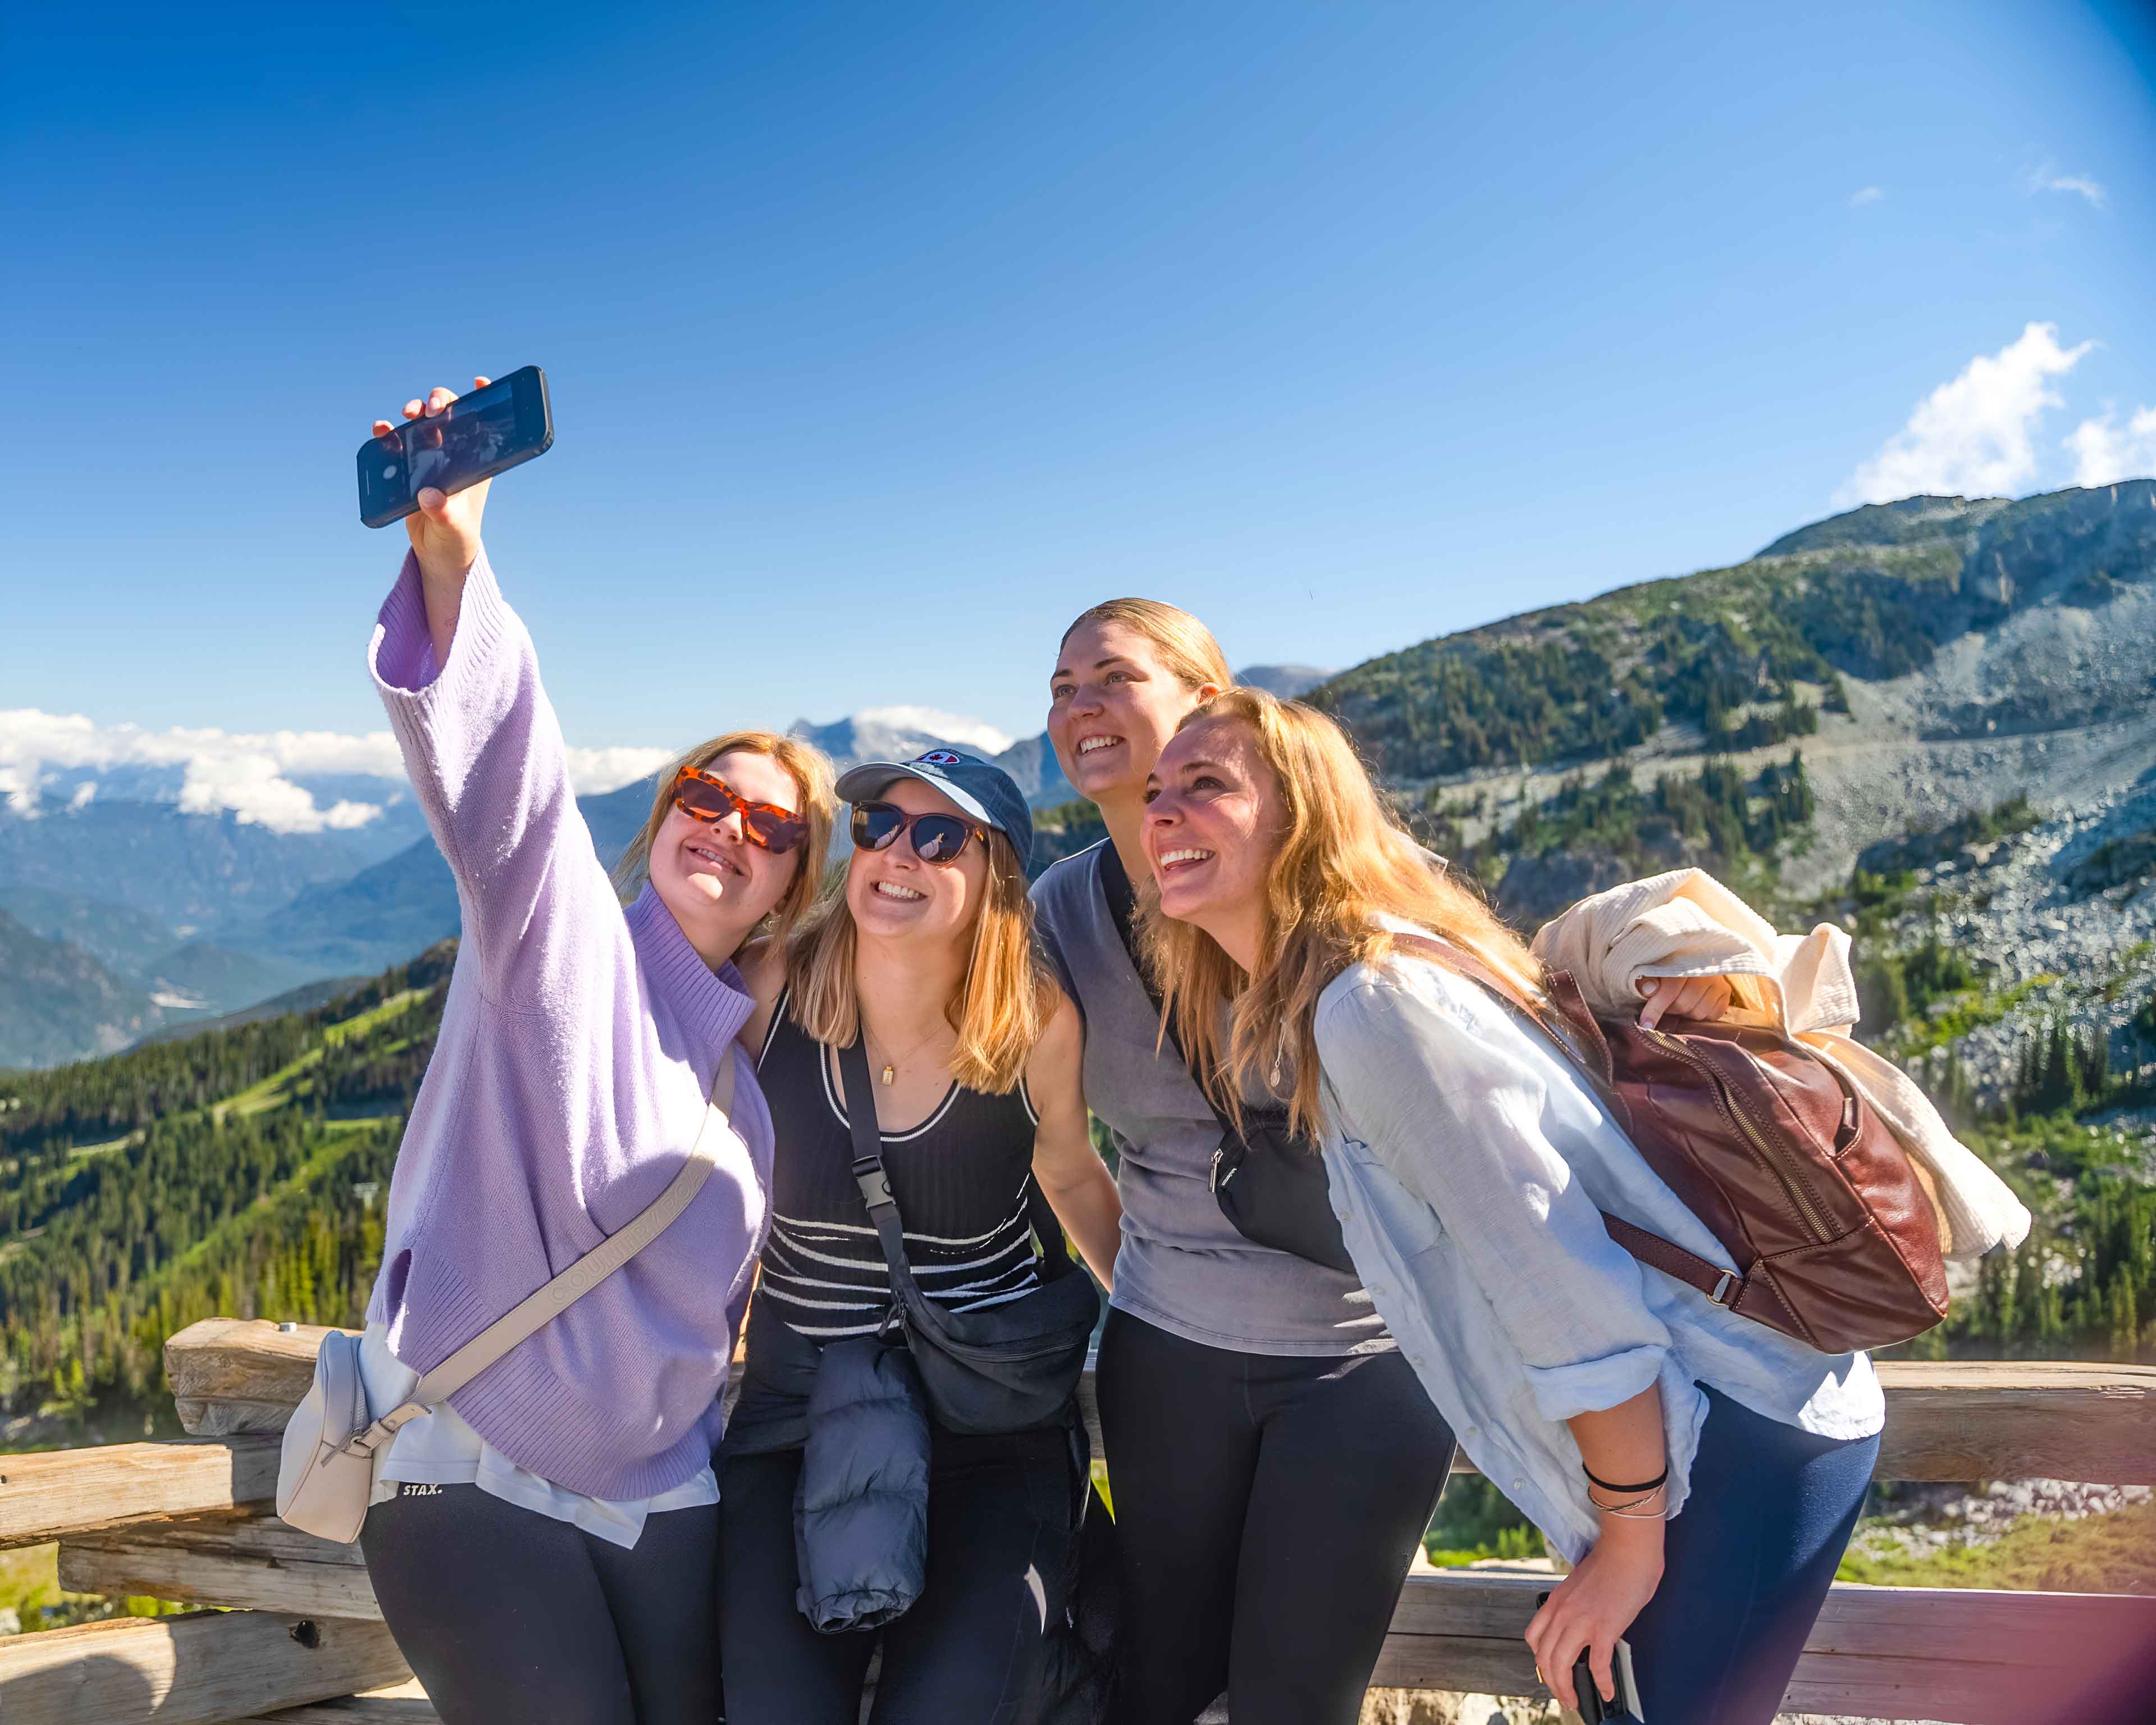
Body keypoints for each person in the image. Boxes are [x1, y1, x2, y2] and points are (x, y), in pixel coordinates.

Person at [1138, 686, 1885, 1725]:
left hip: (1729, 1439)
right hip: (1709, 1431)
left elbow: (1560, 1288)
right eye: (1156, 792)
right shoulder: (1381, 971)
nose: (1161, 812)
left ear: (1302, 817)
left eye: (1206, 785)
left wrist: (1626, 1545)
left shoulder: (1371, 1007)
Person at [350, 380, 835, 1725]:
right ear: (666, 811)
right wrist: (456, 559)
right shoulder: (558, 944)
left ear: (792, 894)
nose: (728, 826)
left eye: (772, 829)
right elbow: (509, 782)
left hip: (663, 1496)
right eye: (705, 795)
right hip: (469, 1463)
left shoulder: (749, 1079)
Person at [1030, 600, 1459, 1725]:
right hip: (1170, 1359)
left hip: (1364, 1361)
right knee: (1162, 1684)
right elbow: (1063, 1158)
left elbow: (1491, 1089)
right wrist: (1164, 1285)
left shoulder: (1355, 886)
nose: (1080, 707)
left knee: (1294, 1702)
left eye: (1111, 677)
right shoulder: (1062, 916)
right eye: (1062, 687)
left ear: (1204, 696)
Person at [718, 750, 1122, 1725]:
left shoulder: (1034, 1021)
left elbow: (1067, 1171)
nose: (897, 852)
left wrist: (1157, 1317)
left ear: (997, 876)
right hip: (796, 1417)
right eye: (876, 827)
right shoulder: (772, 990)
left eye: (939, 836)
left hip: (985, 1421)